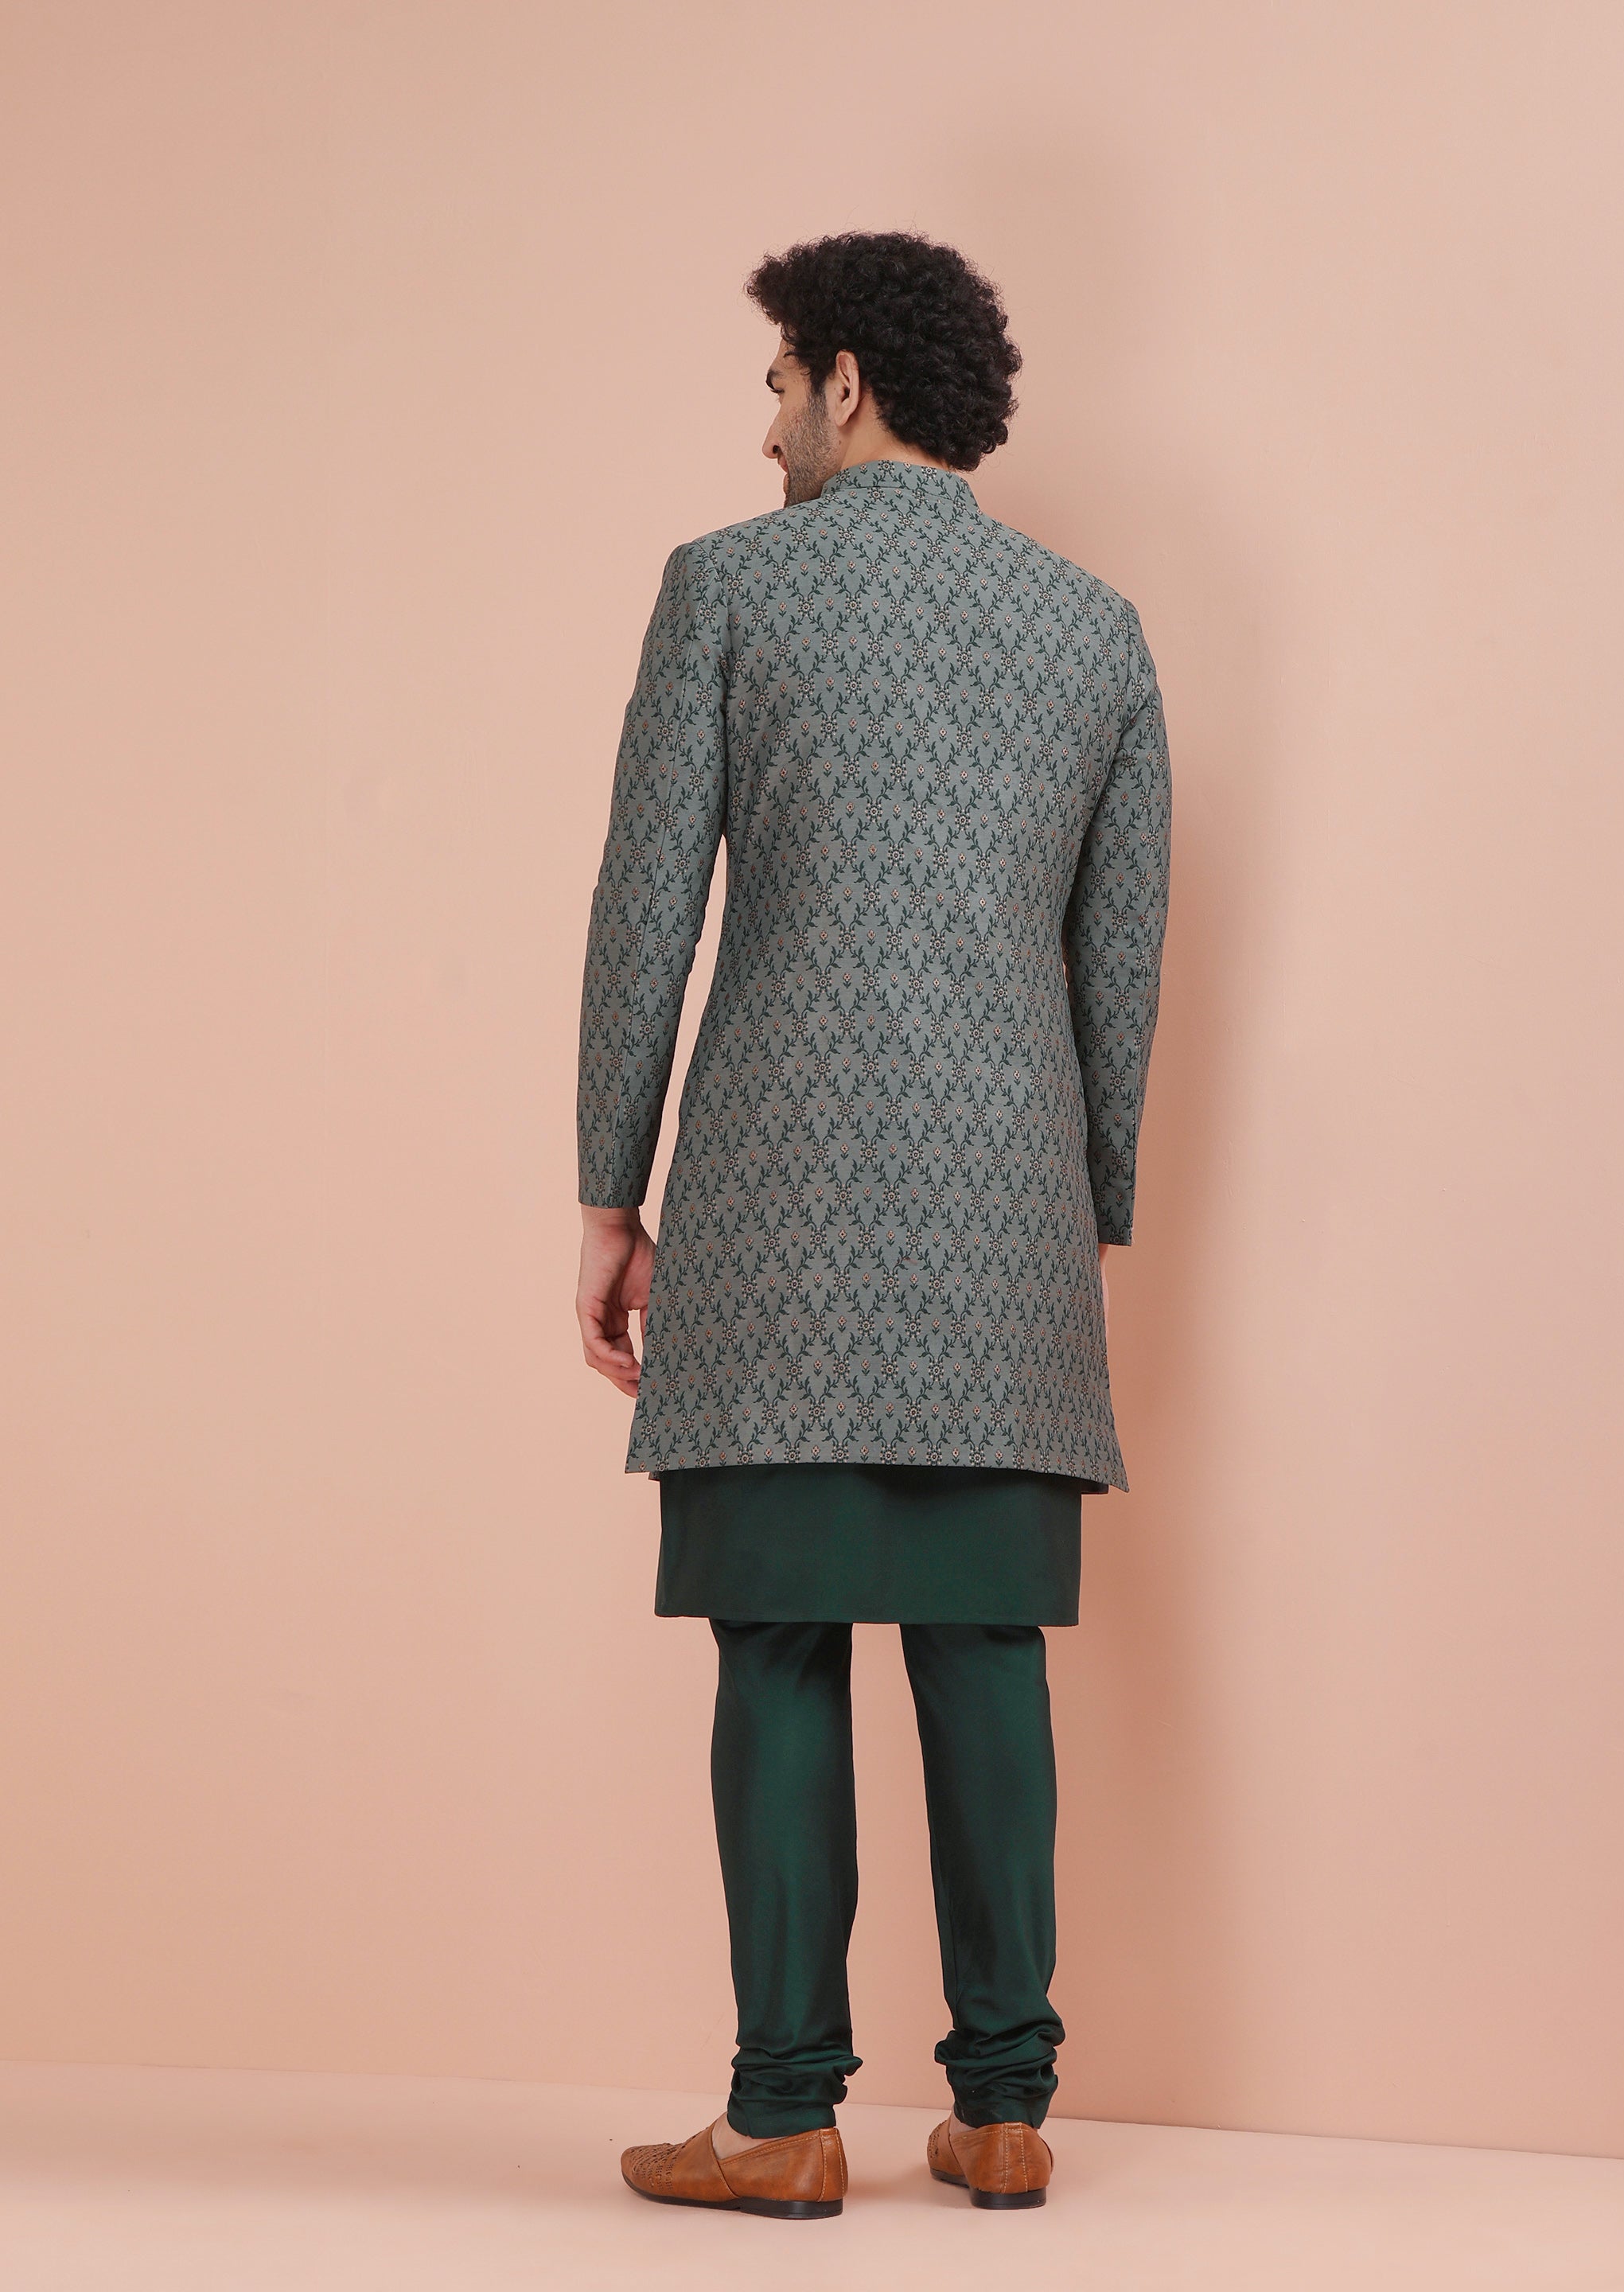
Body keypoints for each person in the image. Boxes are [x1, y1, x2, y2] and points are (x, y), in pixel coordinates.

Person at [576, 229, 1171, 2220]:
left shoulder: (729, 590)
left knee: (779, 1640)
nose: (765, 434)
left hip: (776, 1204)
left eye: (776, 387)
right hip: (1008, 1225)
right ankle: (1004, 2109)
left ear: (845, 381)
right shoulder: (1096, 630)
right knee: (986, 1642)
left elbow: (646, 913)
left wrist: (610, 1187)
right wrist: (1087, 1205)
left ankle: (781, 2117)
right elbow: (1122, 962)